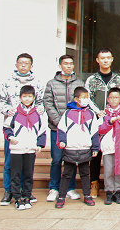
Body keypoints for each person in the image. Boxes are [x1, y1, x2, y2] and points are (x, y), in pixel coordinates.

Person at [0, 53, 45, 206]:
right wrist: (8, 110)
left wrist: (39, 110)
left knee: (27, 163)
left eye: (26, 63)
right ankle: (8, 191)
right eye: (21, 63)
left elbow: (41, 102)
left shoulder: (37, 83)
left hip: (30, 130)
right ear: (16, 65)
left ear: (31, 65)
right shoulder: (8, 82)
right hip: (14, 127)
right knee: (10, 161)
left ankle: (26, 192)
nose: (23, 65)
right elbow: (0, 102)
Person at [85, 48, 120, 198]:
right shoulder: (91, 80)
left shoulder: (119, 80)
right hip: (99, 120)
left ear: (112, 59)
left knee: (114, 155)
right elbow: (88, 99)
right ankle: (94, 183)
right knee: (95, 153)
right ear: (97, 60)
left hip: (116, 123)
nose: (105, 60)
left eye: (108, 57)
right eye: (102, 58)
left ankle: (115, 188)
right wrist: (98, 112)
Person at [44, 54, 85, 202]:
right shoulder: (51, 84)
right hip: (57, 128)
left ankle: (70, 188)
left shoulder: (79, 83)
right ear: (60, 65)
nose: (68, 66)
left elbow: (82, 103)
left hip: (74, 129)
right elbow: (48, 103)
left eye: (71, 63)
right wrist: (59, 122)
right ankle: (54, 188)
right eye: (65, 63)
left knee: (72, 159)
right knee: (56, 160)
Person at [3, 85, 47, 210]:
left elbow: (42, 130)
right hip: (17, 148)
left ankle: (27, 196)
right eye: (24, 96)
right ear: (20, 97)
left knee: (28, 174)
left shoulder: (38, 113)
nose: (27, 99)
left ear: (34, 98)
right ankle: (17, 198)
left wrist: (40, 145)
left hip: (30, 148)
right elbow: (6, 127)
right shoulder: (14, 112)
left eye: (29, 96)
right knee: (15, 174)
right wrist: (11, 137)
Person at [54, 87, 99, 209]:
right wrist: (62, 141)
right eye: (83, 97)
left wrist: (95, 148)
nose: (86, 100)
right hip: (71, 148)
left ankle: (87, 195)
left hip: (85, 148)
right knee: (67, 174)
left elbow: (94, 132)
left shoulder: (91, 114)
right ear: (76, 99)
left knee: (85, 173)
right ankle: (62, 196)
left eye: (87, 97)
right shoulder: (68, 113)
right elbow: (61, 129)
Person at [97, 87, 120, 205]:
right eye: (111, 97)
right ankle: (109, 192)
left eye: (116, 97)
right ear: (108, 99)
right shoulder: (104, 114)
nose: (114, 99)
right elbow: (100, 130)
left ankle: (118, 192)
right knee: (108, 169)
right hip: (108, 146)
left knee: (119, 170)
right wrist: (111, 122)